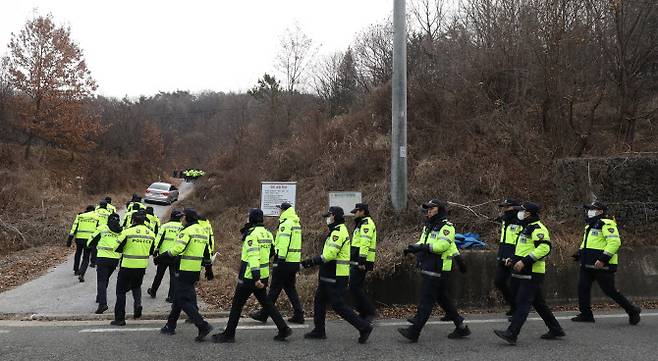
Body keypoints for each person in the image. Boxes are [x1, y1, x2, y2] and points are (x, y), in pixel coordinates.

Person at [212, 208, 292, 343]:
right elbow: (273, 252)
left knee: (237, 305)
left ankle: (229, 334)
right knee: (267, 303)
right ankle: (283, 328)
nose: (246, 219)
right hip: (264, 275)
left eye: (248, 217)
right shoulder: (267, 234)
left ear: (253, 218)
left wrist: (256, 277)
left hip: (251, 277)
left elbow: (253, 256)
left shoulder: (252, 235)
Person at [398, 199, 471, 342]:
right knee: (442, 299)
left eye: (432, 208)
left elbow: (442, 246)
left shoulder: (447, 227)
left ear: (440, 210)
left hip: (438, 267)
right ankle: (461, 327)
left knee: (427, 301)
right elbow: (423, 242)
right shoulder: (428, 226)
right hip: (429, 265)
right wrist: (413, 247)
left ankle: (414, 332)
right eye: (428, 209)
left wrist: (423, 248)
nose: (429, 211)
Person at [494, 201, 565, 345]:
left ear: (528, 213)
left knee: (523, 303)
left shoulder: (538, 228)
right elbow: (522, 249)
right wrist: (512, 259)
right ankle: (555, 329)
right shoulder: (525, 228)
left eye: (522, 210)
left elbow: (544, 248)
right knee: (539, 303)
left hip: (532, 272)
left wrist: (524, 262)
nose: (519, 212)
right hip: (523, 271)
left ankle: (512, 333)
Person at [301, 206, 374, 344]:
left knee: (338, 305)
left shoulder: (339, 232)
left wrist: (309, 262)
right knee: (319, 301)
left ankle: (364, 327)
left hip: (335, 276)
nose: (327, 219)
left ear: (334, 216)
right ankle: (319, 330)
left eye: (328, 216)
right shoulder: (334, 231)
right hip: (328, 275)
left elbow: (329, 255)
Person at [571, 201, 641, 325]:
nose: (589, 211)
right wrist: (580, 253)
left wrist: (603, 259)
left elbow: (614, 243)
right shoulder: (590, 225)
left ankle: (632, 310)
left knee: (610, 291)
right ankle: (586, 315)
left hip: (602, 265)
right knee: (582, 288)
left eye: (592, 209)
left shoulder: (607, 223)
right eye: (589, 209)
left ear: (600, 211)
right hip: (587, 264)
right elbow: (587, 243)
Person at [158, 208, 214, 341]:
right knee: (178, 297)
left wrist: (161, 257)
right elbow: (207, 252)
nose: (182, 220)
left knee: (183, 300)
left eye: (183, 217)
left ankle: (202, 325)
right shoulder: (202, 231)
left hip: (183, 269)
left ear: (188, 218)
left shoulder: (187, 231)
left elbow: (177, 249)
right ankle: (170, 326)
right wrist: (208, 268)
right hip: (194, 271)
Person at [250, 202, 304, 324]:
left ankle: (264, 314)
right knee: (290, 287)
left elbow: (284, 243)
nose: (279, 211)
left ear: (284, 210)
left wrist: (279, 260)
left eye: (280, 209)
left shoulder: (286, 223)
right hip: (293, 261)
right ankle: (299, 314)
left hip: (284, 261)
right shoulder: (295, 222)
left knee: (274, 288)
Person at [111, 210, 155, 326]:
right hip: (141, 266)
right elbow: (152, 251)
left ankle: (120, 319)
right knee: (136, 286)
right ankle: (138, 305)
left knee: (120, 292)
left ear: (133, 220)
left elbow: (116, 246)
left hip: (127, 265)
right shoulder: (151, 233)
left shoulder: (127, 232)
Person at [86, 213, 123, 314]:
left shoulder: (102, 228)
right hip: (115, 260)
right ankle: (99, 296)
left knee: (101, 281)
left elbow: (90, 241)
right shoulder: (121, 230)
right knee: (105, 279)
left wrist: (93, 246)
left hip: (102, 258)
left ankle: (102, 304)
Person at [495, 198, 523, 316]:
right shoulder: (505, 220)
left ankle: (518, 309)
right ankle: (514, 305)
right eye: (504, 207)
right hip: (503, 254)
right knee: (499, 281)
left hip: (514, 256)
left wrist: (514, 257)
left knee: (516, 284)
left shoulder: (519, 221)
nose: (505, 209)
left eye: (508, 206)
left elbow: (521, 242)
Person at [349, 203, 377, 322]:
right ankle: (365, 312)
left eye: (356, 212)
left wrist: (361, 260)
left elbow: (365, 243)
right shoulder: (361, 223)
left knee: (355, 287)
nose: (354, 214)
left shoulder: (366, 224)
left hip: (362, 261)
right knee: (356, 287)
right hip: (358, 260)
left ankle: (369, 312)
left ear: (362, 211)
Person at [148, 209, 184, 302]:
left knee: (159, 275)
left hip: (164, 255)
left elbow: (158, 239)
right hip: (176, 255)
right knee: (174, 277)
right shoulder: (182, 228)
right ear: (180, 218)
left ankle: (153, 291)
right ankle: (171, 297)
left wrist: (155, 250)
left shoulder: (165, 226)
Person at [67, 205, 99, 276]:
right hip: (89, 240)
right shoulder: (96, 217)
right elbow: (97, 230)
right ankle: (82, 272)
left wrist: (70, 238)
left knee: (78, 253)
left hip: (79, 239)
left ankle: (76, 270)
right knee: (86, 257)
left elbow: (74, 227)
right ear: (93, 210)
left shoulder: (80, 216)